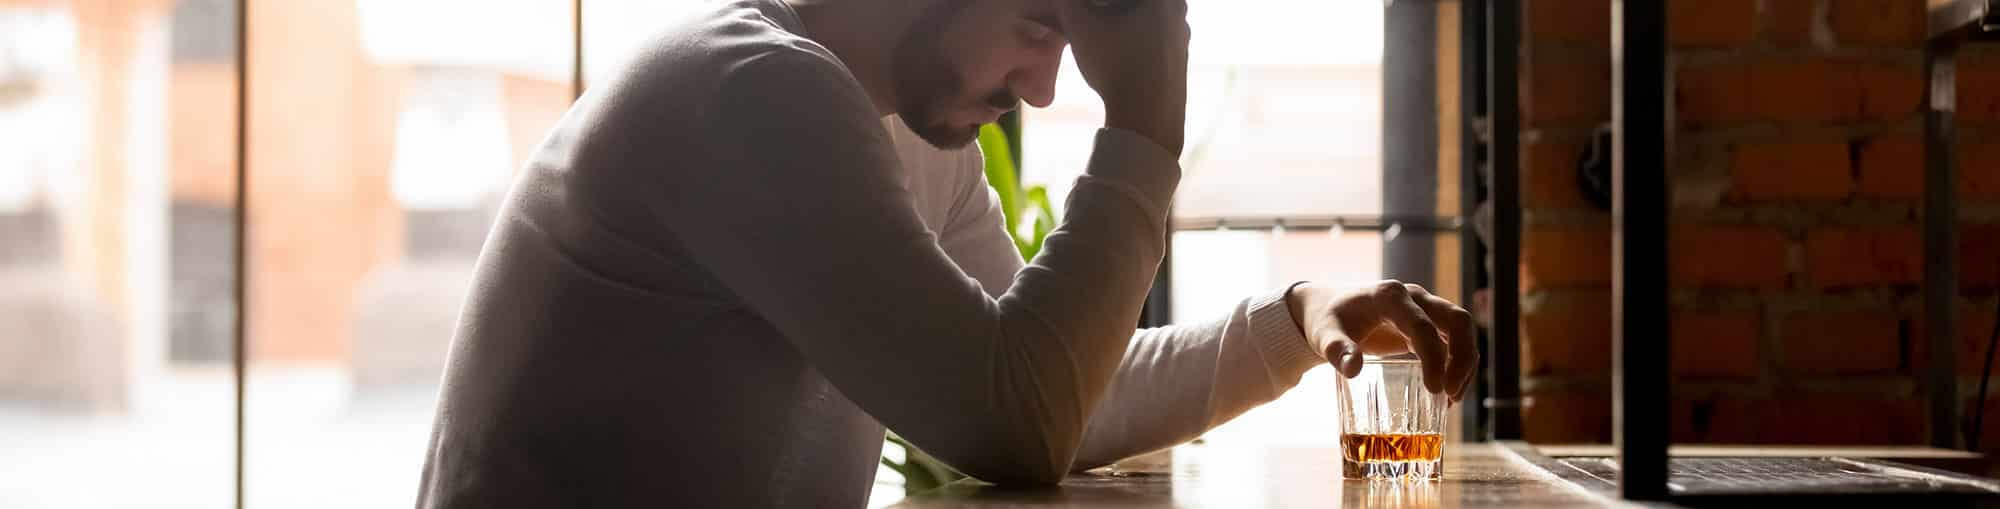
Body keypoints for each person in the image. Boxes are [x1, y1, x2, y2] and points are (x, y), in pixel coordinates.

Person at [415, 0, 1478, 507]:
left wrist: (1295, 320)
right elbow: (1011, 420)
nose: (1043, 89)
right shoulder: (750, 88)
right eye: (1036, 25)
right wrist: (1145, 116)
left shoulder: (893, 134)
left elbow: (1062, 398)